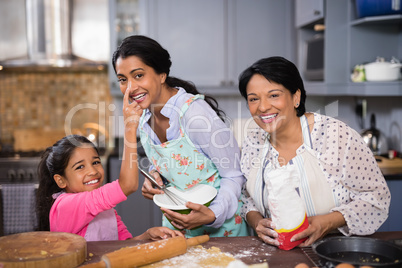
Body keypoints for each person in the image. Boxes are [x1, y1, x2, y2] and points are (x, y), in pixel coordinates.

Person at [238, 56, 390, 247]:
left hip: (335, 250)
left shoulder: (335, 136)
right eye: (253, 99)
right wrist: (256, 221)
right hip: (274, 254)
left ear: (296, 97)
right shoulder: (254, 141)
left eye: (274, 95)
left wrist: (327, 222)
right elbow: (248, 198)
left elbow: (376, 198)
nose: (262, 107)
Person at [111, 35, 249, 237]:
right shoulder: (142, 118)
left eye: (138, 75)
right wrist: (157, 179)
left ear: (161, 75)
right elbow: (176, 163)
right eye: (123, 80)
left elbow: (233, 174)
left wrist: (212, 213)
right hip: (177, 229)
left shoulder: (195, 114)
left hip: (222, 229)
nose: (130, 88)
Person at [36, 134, 183, 241]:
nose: (93, 171)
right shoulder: (65, 205)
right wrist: (130, 128)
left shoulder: (105, 209)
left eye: (95, 162)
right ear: (61, 181)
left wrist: (147, 236)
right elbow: (128, 185)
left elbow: (122, 246)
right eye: (80, 167)